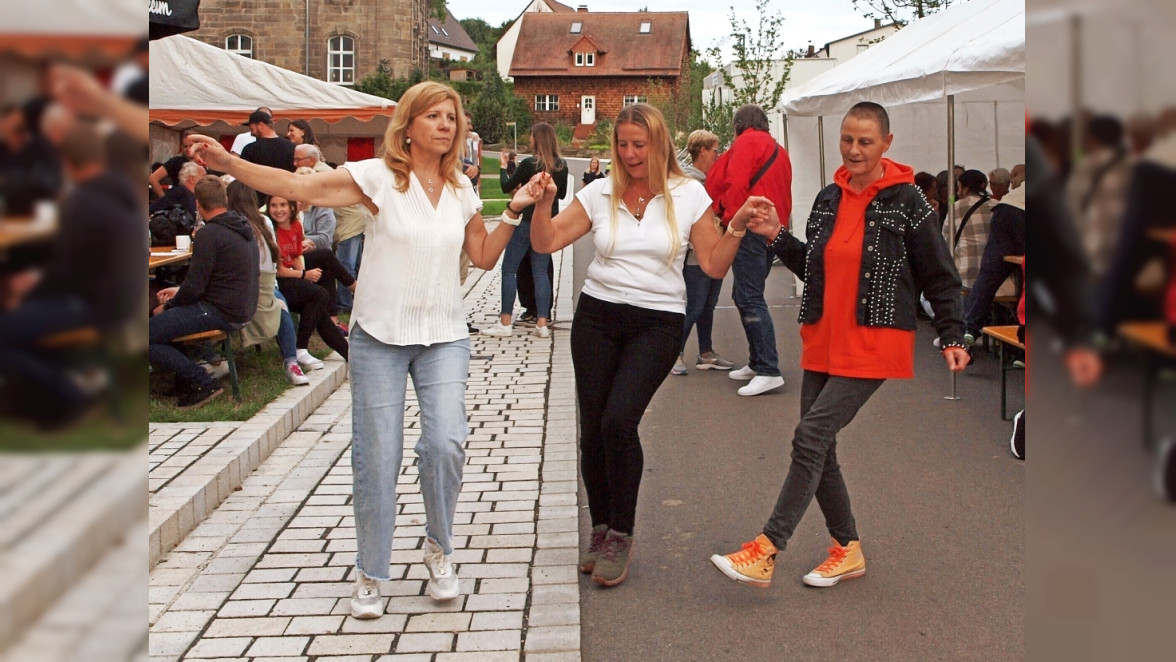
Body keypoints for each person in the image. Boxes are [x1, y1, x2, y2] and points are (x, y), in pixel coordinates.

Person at [187, 80, 521, 618]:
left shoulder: (462, 189)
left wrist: (513, 214)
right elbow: (298, 189)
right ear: (408, 125)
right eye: (433, 116)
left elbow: (481, 256)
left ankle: (439, 548)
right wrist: (228, 160)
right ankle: (371, 571)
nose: (444, 125)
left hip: (443, 335)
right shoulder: (377, 178)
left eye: (451, 118)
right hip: (380, 337)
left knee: (445, 444)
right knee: (378, 455)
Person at [710, 102, 970, 590]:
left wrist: (953, 333)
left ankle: (766, 549)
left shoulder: (908, 202)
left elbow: (939, 273)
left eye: (865, 141)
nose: (854, 149)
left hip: (875, 341)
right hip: (824, 336)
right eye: (848, 139)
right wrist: (776, 237)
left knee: (809, 436)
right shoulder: (829, 197)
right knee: (820, 447)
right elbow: (816, 268)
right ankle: (847, 549)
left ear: (886, 144)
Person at [508, 103, 768, 586]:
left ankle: (622, 533)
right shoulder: (599, 191)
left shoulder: (689, 194)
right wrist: (542, 204)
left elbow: (711, 265)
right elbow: (545, 244)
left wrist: (734, 229)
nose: (629, 154)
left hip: (658, 322)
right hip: (597, 317)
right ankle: (601, 528)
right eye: (623, 144)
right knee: (593, 427)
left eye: (639, 145)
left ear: (659, 144)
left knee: (618, 421)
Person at [150, 176, 260, 409]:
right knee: (168, 322)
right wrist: (178, 293)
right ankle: (183, 380)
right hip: (241, 306)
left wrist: (168, 306)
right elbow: (212, 281)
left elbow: (195, 287)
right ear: (225, 200)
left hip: (219, 310)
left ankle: (202, 382)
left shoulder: (209, 234)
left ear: (198, 204)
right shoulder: (242, 226)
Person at [705, 103, 792, 396]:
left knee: (748, 296)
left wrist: (732, 223)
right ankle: (759, 362)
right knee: (747, 294)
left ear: (739, 124)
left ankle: (768, 367)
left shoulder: (745, 145)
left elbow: (732, 183)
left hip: (750, 228)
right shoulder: (778, 150)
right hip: (771, 230)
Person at [485, 122, 569, 338]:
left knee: (509, 269)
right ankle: (542, 323)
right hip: (546, 223)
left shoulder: (529, 163)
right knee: (540, 271)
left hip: (525, 222)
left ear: (536, 138)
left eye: (531, 135)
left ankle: (505, 322)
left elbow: (506, 186)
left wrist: (503, 168)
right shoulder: (561, 165)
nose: (529, 139)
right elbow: (560, 194)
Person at [227, 180, 309, 386]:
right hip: (267, 282)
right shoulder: (264, 222)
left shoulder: (229, 223)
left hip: (243, 284)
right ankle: (291, 360)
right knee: (281, 307)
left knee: (280, 304)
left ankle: (210, 358)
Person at [672, 129, 734, 375]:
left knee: (708, 305)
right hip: (697, 254)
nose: (717, 155)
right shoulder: (691, 184)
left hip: (715, 250)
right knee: (695, 306)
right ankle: (675, 353)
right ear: (703, 151)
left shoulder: (708, 180)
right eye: (715, 150)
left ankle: (706, 353)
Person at [266, 193, 352, 362]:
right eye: (273, 206)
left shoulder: (296, 226)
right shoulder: (270, 231)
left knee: (317, 305)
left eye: (282, 205)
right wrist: (304, 275)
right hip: (277, 282)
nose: (278, 210)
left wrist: (304, 278)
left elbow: (297, 255)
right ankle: (300, 348)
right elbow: (277, 270)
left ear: (291, 207)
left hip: (292, 276)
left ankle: (349, 355)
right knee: (319, 295)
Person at [945, 169, 994, 289]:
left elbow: (946, 241)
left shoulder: (956, 207)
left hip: (966, 274)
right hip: (992, 274)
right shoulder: (997, 205)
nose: (957, 192)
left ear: (965, 188)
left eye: (958, 187)